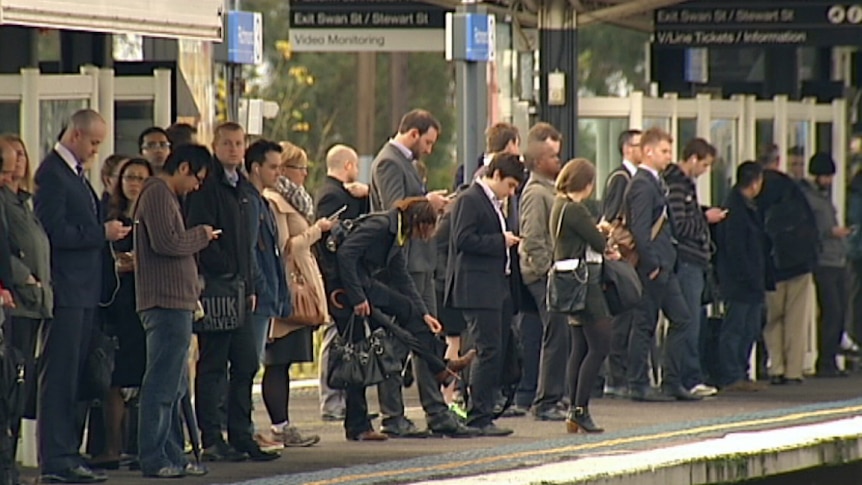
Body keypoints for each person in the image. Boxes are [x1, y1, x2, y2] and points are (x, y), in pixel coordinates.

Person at [34, 109, 129, 484]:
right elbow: (53, 231)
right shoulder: (52, 175)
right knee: (58, 374)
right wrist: (100, 233)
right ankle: (56, 457)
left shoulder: (74, 174)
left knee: (75, 376)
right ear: (75, 135)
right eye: (92, 143)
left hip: (85, 290)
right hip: (67, 289)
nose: (95, 151)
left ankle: (68, 452)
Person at [334, 198, 476, 441]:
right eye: (430, 227)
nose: (429, 235)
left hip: (362, 285)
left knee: (396, 328)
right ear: (419, 222)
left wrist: (424, 314)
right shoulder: (381, 226)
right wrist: (357, 297)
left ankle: (439, 367)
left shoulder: (397, 233)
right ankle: (440, 368)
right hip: (348, 289)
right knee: (359, 353)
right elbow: (346, 254)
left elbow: (402, 276)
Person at [369, 109, 471, 438]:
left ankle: (437, 411)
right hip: (404, 266)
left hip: (421, 263)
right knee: (400, 339)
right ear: (413, 133)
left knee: (428, 337)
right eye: (427, 141)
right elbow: (393, 208)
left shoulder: (405, 164)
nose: (429, 149)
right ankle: (393, 416)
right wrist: (428, 201)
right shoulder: (388, 162)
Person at [185, 122, 279, 462]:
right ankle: (211, 437)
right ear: (215, 145)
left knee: (245, 362)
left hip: (241, 286)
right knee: (212, 364)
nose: (234, 149)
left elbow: (248, 243)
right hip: (216, 286)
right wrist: (224, 267)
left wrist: (249, 283)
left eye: (239, 143)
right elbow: (201, 235)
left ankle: (241, 434)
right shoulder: (207, 187)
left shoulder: (243, 188)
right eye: (227, 143)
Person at [134, 144, 214, 478]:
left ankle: (174, 455)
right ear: (183, 168)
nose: (196, 186)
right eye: (196, 178)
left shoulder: (166, 196)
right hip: (164, 302)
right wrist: (201, 235)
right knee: (162, 383)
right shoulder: (156, 194)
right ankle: (153, 457)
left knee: (176, 385)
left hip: (177, 301)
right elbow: (167, 242)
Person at [446, 153, 526, 436]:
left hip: (496, 286)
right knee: (487, 349)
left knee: (496, 348)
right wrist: (499, 241)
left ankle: (484, 410)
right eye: (511, 185)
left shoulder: (493, 203)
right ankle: (478, 415)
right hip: (477, 289)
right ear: (497, 175)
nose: (512, 192)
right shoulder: (471, 199)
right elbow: (462, 239)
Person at [624, 127, 699, 402]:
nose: (670, 157)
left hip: (664, 263)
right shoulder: (642, 184)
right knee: (645, 323)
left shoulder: (655, 181)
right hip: (653, 265)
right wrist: (652, 262)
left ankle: (670, 380)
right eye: (665, 151)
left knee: (680, 318)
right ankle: (639, 383)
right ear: (648, 151)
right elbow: (641, 229)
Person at [260, 141, 324, 448]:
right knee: (278, 360)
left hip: (296, 287)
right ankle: (279, 425)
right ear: (285, 170)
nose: (305, 175)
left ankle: (282, 424)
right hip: (286, 290)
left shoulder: (293, 201)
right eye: (300, 169)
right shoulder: (275, 201)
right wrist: (318, 231)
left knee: (284, 362)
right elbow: (287, 246)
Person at [551, 159, 618, 433]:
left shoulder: (559, 205)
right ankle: (581, 409)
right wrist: (604, 232)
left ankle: (573, 411)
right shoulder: (576, 210)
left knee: (579, 347)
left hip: (569, 283)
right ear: (587, 184)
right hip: (585, 285)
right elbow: (599, 243)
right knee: (600, 345)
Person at [94, 158, 152, 469]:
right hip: (118, 302)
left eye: (142, 178)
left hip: (146, 298)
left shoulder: (154, 215)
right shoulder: (111, 216)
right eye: (129, 177)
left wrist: (140, 262)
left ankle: (143, 445)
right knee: (114, 378)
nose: (134, 183)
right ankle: (112, 447)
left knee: (147, 374)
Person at [663, 138, 725, 398]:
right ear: (692, 159)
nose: (705, 171)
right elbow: (680, 224)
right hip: (687, 261)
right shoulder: (678, 185)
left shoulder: (684, 185)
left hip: (695, 262)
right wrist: (704, 218)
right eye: (705, 165)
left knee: (693, 319)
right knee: (688, 320)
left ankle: (689, 376)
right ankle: (688, 377)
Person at [314, 144, 368, 421]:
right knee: (336, 338)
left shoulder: (334, 194)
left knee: (342, 338)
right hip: (338, 279)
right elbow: (331, 242)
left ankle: (339, 400)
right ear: (347, 165)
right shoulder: (333, 197)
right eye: (355, 166)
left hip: (341, 277)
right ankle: (332, 401)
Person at [518, 127, 567, 421]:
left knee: (553, 335)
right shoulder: (536, 194)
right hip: (542, 276)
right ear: (537, 162)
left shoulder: (549, 191)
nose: (558, 160)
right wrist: (547, 270)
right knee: (555, 335)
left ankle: (549, 395)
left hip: (547, 272)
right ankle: (546, 400)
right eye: (552, 156)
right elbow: (533, 237)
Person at [714, 162, 767, 391]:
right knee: (735, 328)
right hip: (739, 281)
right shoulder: (735, 208)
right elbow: (735, 248)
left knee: (750, 328)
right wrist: (747, 275)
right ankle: (731, 375)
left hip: (751, 280)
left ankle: (742, 372)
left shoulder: (748, 206)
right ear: (755, 182)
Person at [800, 153, 851, 377]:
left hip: (837, 258)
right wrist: (830, 233)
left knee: (839, 311)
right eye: (827, 176)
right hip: (824, 260)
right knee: (832, 310)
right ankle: (825, 360)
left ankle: (830, 358)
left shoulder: (823, 197)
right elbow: (810, 229)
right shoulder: (809, 199)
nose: (830, 181)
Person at [601, 129, 641, 399]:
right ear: (627, 148)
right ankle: (615, 377)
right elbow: (611, 217)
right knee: (620, 319)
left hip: (630, 256)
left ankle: (621, 374)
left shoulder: (636, 178)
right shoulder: (621, 178)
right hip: (622, 256)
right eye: (640, 145)